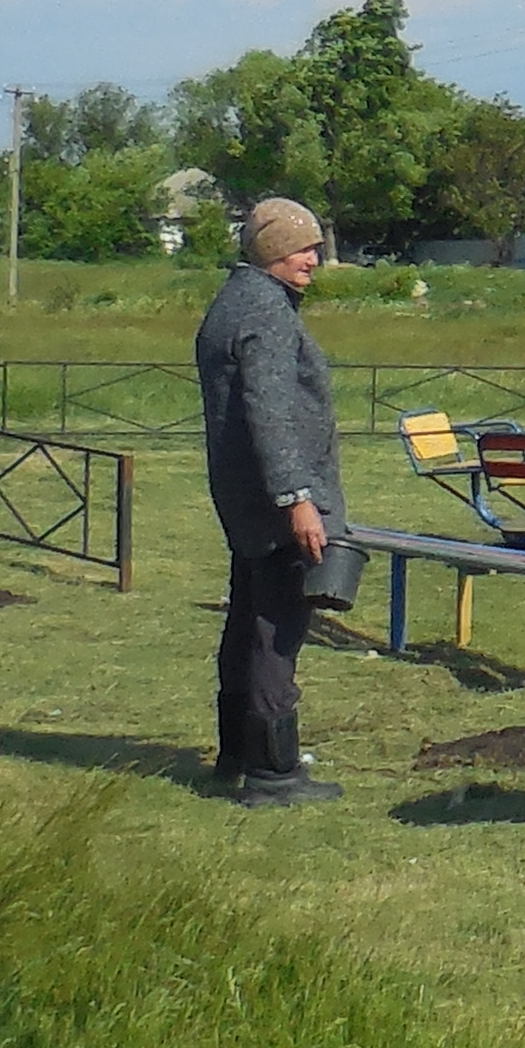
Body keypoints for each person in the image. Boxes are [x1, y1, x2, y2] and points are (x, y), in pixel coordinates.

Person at [196, 197, 349, 811]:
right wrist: (298, 500)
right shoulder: (265, 311)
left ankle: (238, 753)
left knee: (246, 623)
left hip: (243, 497)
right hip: (275, 501)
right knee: (275, 631)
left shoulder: (234, 301)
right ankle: (275, 773)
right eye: (299, 248)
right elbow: (271, 415)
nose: (312, 257)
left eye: (313, 245)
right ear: (268, 252)